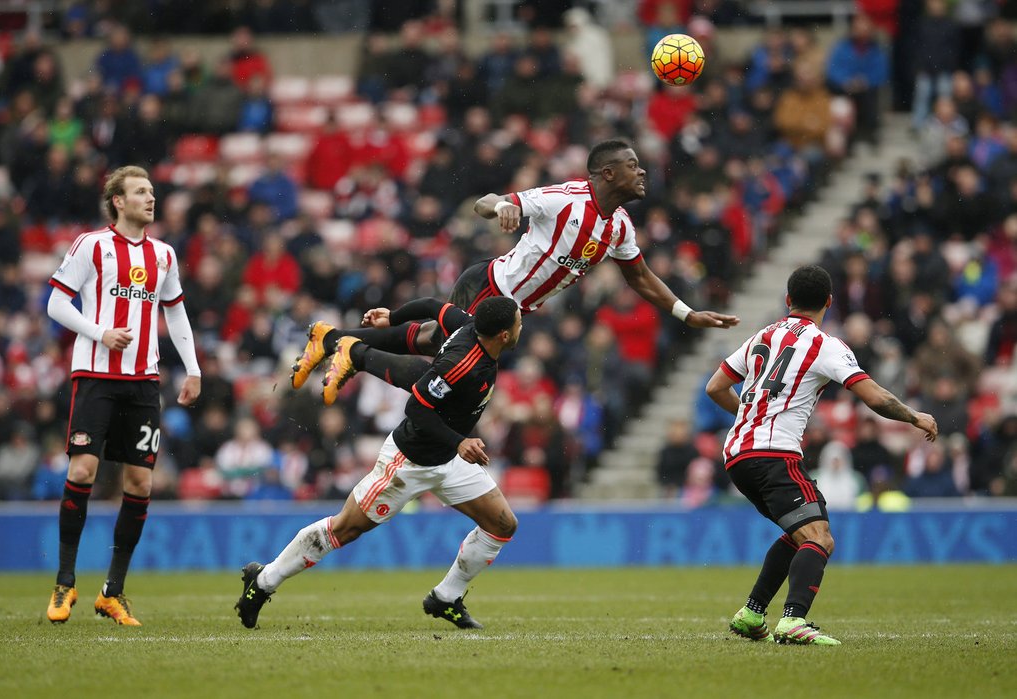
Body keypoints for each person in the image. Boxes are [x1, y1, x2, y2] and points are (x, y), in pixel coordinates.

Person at [289, 139, 739, 395]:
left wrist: (686, 312)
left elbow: (639, 276)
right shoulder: (565, 199)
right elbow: (488, 203)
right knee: (443, 378)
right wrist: (503, 206)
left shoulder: (619, 227)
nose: (642, 173)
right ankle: (348, 351)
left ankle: (332, 341)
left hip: (509, 311)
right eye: (632, 166)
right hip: (488, 287)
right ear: (606, 174)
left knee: (431, 347)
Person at [235, 296, 522, 630]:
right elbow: (416, 409)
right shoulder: (462, 364)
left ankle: (445, 597)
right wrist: (460, 441)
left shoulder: (469, 326)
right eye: (518, 321)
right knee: (345, 529)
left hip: (449, 459)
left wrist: (395, 316)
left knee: (502, 524)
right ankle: (264, 581)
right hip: (409, 462)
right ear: (503, 334)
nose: (521, 326)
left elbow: (432, 305)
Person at [705, 265, 937, 645]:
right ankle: (793, 620)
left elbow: (715, 387)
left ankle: (752, 613)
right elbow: (874, 397)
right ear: (829, 301)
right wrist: (914, 416)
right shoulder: (825, 345)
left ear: (787, 300)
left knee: (800, 534)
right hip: (774, 454)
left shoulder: (763, 335)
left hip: (736, 455)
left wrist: (753, 418)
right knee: (820, 537)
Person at [45, 165, 202, 626]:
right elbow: (56, 302)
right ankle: (64, 583)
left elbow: (175, 313)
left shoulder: (165, 255)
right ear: (118, 201)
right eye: (140, 192)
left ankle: (112, 592)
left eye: (152, 191)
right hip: (94, 374)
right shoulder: (91, 245)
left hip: (143, 382)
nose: (150, 199)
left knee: (140, 484)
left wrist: (193, 369)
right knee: (84, 468)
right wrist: (99, 332)